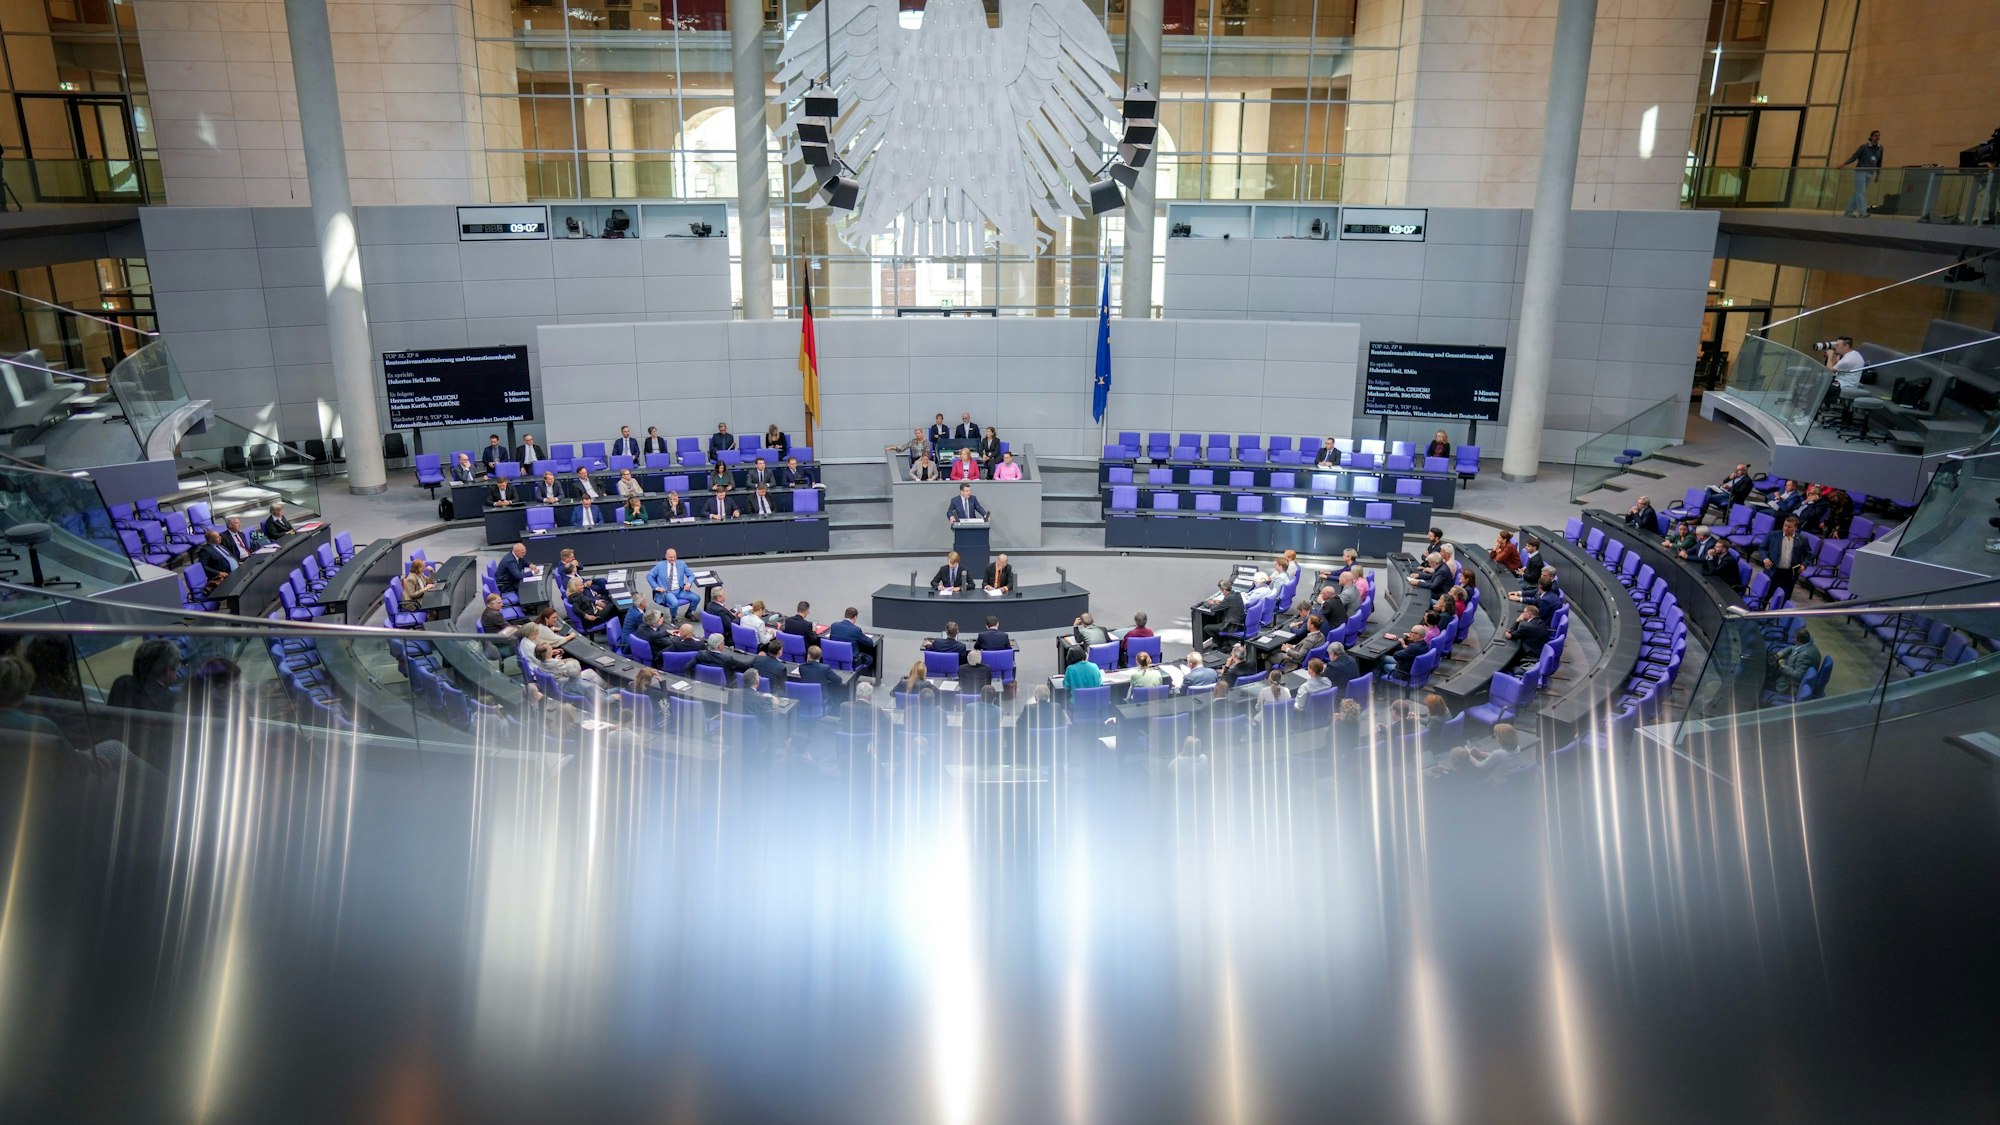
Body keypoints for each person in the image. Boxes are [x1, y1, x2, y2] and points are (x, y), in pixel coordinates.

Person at [1756, 515, 1809, 599]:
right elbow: (1762, 548)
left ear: (1795, 528)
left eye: (1789, 527)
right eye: (1785, 525)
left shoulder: (1802, 539)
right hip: (1773, 570)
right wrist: (1765, 558)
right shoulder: (1773, 535)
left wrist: (1804, 565)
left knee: (1784, 597)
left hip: (1789, 574)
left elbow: (1809, 554)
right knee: (1766, 594)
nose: (1786, 528)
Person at [1837, 129, 1882, 218]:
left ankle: (1848, 212)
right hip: (1861, 172)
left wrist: (1878, 175)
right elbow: (1854, 157)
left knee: (1858, 193)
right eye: (1875, 135)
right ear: (1871, 137)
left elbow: (1879, 162)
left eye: (1878, 135)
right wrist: (1844, 163)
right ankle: (1863, 212)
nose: (1877, 137)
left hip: (1870, 173)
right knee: (1861, 192)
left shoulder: (1880, 148)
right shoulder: (1863, 147)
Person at [1768, 627, 1823, 695]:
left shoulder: (1805, 655)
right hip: (1787, 675)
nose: (1793, 639)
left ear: (1798, 640)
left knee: (1765, 681)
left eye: (1794, 638)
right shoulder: (1808, 645)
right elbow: (1793, 648)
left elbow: (1798, 675)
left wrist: (1783, 665)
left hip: (1787, 685)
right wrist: (1781, 653)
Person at [829, 607, 877, 673]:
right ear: (855, 617)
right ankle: (854, 676)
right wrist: (863, 635)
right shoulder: (856, 630)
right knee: (869, 659)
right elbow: (870, 643)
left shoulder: (834, 625)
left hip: (834, 656)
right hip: (851, 659)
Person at [1200, 579, 1244, 649]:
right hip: (1239, 623)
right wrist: (1221, 602)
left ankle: (1220, 643)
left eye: (1221, 590)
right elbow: (1230, 604)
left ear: (1224, 589)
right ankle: (1223, 641)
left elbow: (1213, 609)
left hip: (1230, 626)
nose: (1222, 592)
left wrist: (1211, 603)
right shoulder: (1237, 594)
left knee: (1207, 628)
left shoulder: (1228, 598)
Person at [1504, 604, 1549, 672]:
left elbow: (1510, 635)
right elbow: (1516, 633)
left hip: (1530, 656)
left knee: (1507, 660)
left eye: (1524, 612)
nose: (1522, 613)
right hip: (1540, 652)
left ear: (1529, 614)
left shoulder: (1526, 627)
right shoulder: (1541, 622)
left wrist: (1518, 620)